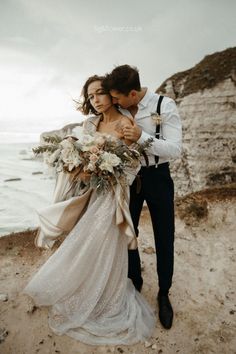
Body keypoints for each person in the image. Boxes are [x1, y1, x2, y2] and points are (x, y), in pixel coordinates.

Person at [22, 75, 156, 345]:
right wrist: (81, 169)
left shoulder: (125, 123)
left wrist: (106, 172)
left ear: (111, 94)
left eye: (99, 93)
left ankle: (106, 298)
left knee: (104, 244)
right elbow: (81, 156)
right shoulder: (89, 123)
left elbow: (132, 167)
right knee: (84, 242)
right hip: (89, 194)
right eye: (90, 95)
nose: (95, 100)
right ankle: (83, 289)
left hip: (112, 196)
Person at [103, 65, 182, 329]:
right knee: (128, 231)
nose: (114, 102)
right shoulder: (120, 109)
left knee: (164, 235)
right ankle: (134, 281)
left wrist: (142, 137)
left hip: (159, 176)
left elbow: (175, 149)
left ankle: (163, 293)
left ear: (133, 94)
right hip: (130, 178)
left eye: (118, 98)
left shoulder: (164, 104)